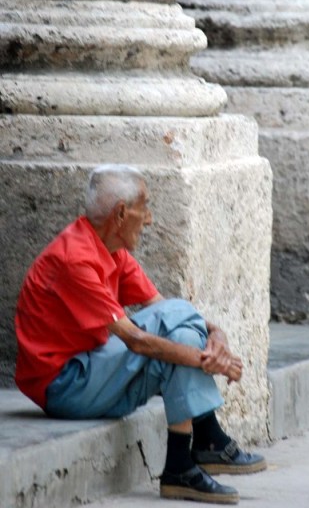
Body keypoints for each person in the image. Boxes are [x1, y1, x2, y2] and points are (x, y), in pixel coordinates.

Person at [15, 164, 266, 504]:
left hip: (94, 371)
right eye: (145, 207)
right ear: (121, 213)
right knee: (177, 339)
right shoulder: (75, 258)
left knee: (180, 329)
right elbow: (136, 340)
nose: (149, 219)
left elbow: (170, 310)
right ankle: (200, 446)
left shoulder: (113, 250)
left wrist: (215, 335)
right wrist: (212, 362)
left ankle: (189, 458)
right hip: (65, 386)